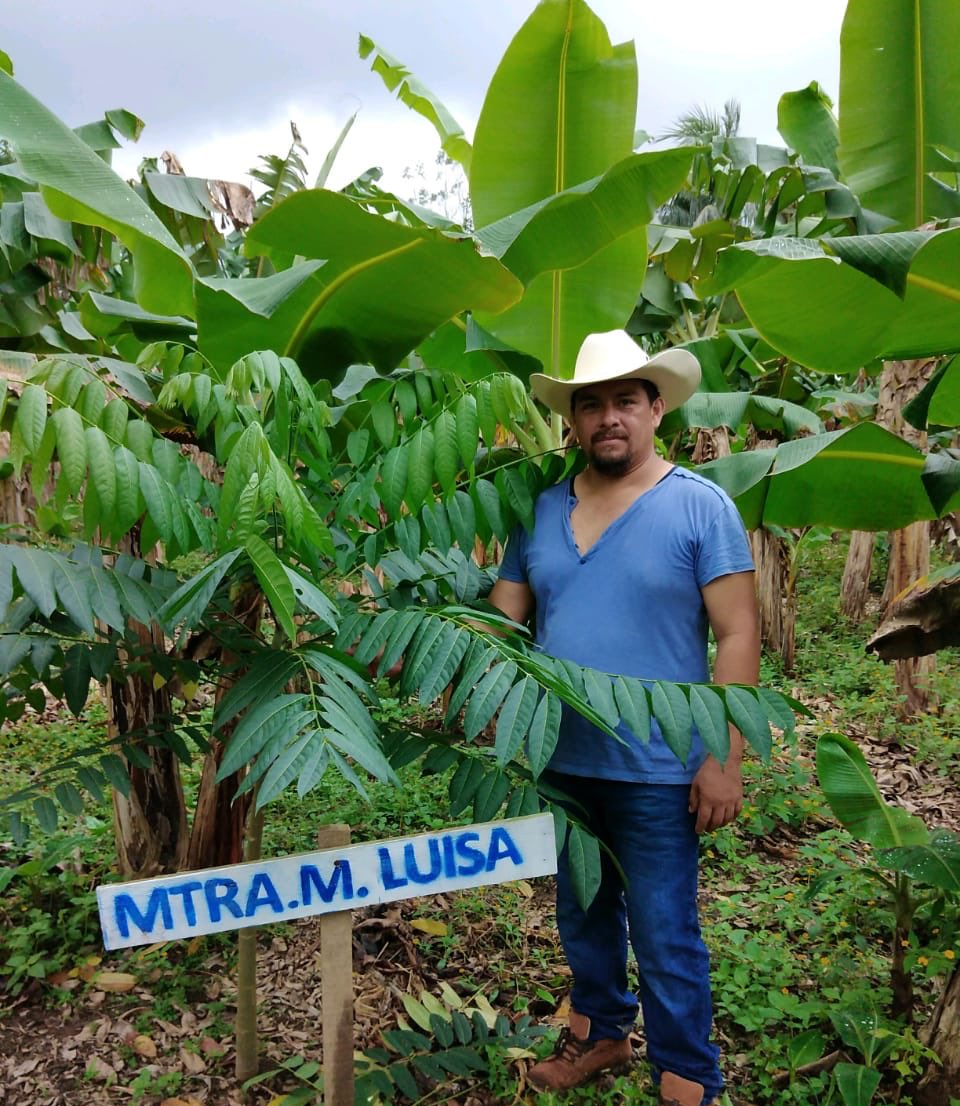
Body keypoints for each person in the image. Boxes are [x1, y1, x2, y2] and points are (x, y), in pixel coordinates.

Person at [488, 330, 760, 1106]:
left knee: (666, 928)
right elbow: (504, 623)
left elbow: (738, 632)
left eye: (624, 402)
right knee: (583, 910)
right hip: (562, 757)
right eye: (591, 404)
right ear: (573, 421)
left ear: (655, 410)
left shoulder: (699, 507)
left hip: (657, 765)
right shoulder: (539, 511)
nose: (609, 417)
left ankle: (686, 1076)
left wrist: (722, 757)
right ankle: (600, 1033)